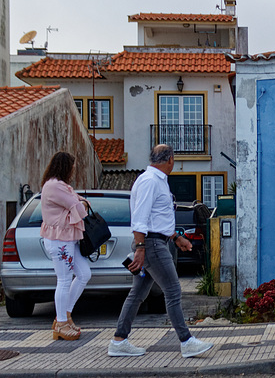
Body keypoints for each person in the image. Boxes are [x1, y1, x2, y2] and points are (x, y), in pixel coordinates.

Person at [108, 144, 214, 358]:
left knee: (138, 293)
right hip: (152, 245)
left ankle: (119, 340)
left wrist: (176, 237)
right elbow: (140, 217)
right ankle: (186, 341)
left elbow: (157, 218)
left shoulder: (154, 181)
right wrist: (140, 248)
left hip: (154, 242)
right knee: (173, 290)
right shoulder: (150, 182)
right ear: (170, 160)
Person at [40, 151, 91, 341]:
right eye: (72, 166)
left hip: (66, 238)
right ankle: (61, 322)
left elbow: (82, 203)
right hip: (59, 239)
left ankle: (65, 315)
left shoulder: (60, 186)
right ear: (65, 167)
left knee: (84, 274)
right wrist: (80, 205)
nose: (74, 169)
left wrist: (80, 204)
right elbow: (79, 206)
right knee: (64, 279)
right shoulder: (55, 186)